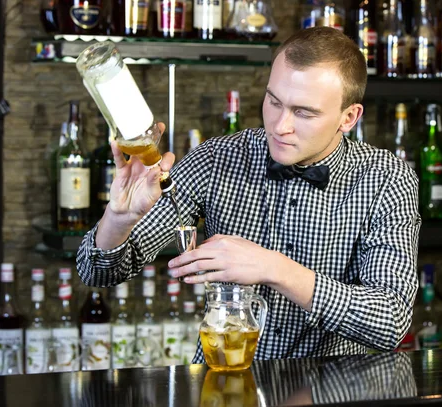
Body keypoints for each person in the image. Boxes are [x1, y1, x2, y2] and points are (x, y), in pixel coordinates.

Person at [77, 26, 420, 362]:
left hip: (328, 388)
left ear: (349, 117)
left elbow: (389, 322)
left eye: (303, 112)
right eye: (273, 101)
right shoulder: (216, 159)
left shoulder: (387, 179)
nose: (280, 125)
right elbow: (98, 274)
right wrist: (118, 220)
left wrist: (275, 268)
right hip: (223, 381)